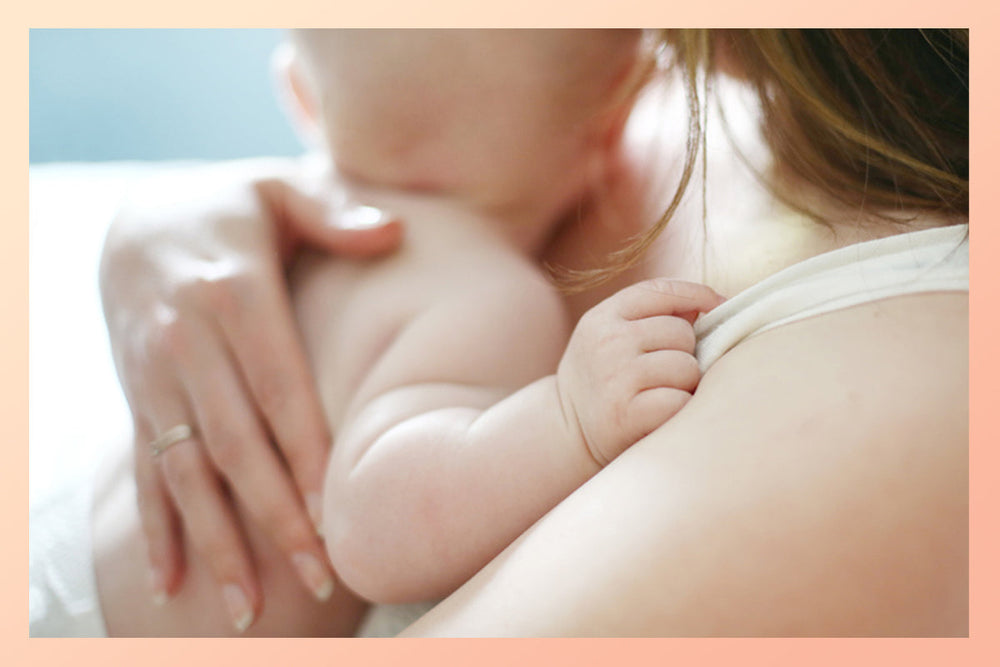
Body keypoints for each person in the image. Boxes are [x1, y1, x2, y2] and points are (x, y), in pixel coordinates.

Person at [38, 28, 968, 637]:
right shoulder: (484, 294)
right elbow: (370, 520)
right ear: (606, 129)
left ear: (302, 99)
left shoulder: (331, 216)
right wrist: (565, 417)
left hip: (80, 562)